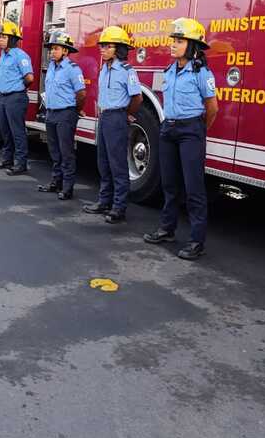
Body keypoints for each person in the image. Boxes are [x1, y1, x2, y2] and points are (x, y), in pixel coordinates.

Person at [143, 18, 217, 260]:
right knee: (169, 184)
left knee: (193, 187)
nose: (173, 45)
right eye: (173, 40)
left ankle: (197, 241)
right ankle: (167, 229)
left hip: (190, 131)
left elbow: (212, 107)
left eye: (179, 41)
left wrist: (198, 130)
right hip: (169, 129)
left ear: (193, 45)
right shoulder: (170, 70)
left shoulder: (201, 72)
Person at [82, 26, 142, 224]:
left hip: (117, 119)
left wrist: (126, 115)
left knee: (118, 165)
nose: (102, 49)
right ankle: (104, 201)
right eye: (102, 46)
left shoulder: (127, 71)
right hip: (105, 118)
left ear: (118, 49)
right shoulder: (104, 69)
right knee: (103, 163)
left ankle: (119, 207)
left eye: (107, 46)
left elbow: (137, 98)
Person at [37, 31, 86, 200]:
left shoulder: (73, 69)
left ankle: (67, 188)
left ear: (65, 51)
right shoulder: (51, 66)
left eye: (56, 49)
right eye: (51, 49)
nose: (52, 52)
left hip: (66, 113)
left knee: (66, 153)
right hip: (51, 113)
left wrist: (75, 110)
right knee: (54, 151)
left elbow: (81, 94)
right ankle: (55, 182)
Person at [0, 20, 33, 176]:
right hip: (4, 98)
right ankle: (7, 160)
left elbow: (29, 78)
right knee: (5, 131)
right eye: (0, 36)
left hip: (16, 98)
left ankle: (21, 163)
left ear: (13, 39)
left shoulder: (20, 56)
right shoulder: (4, 55)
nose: (0, 39)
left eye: (4, 37)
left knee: (17, 132)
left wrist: (17, 88)